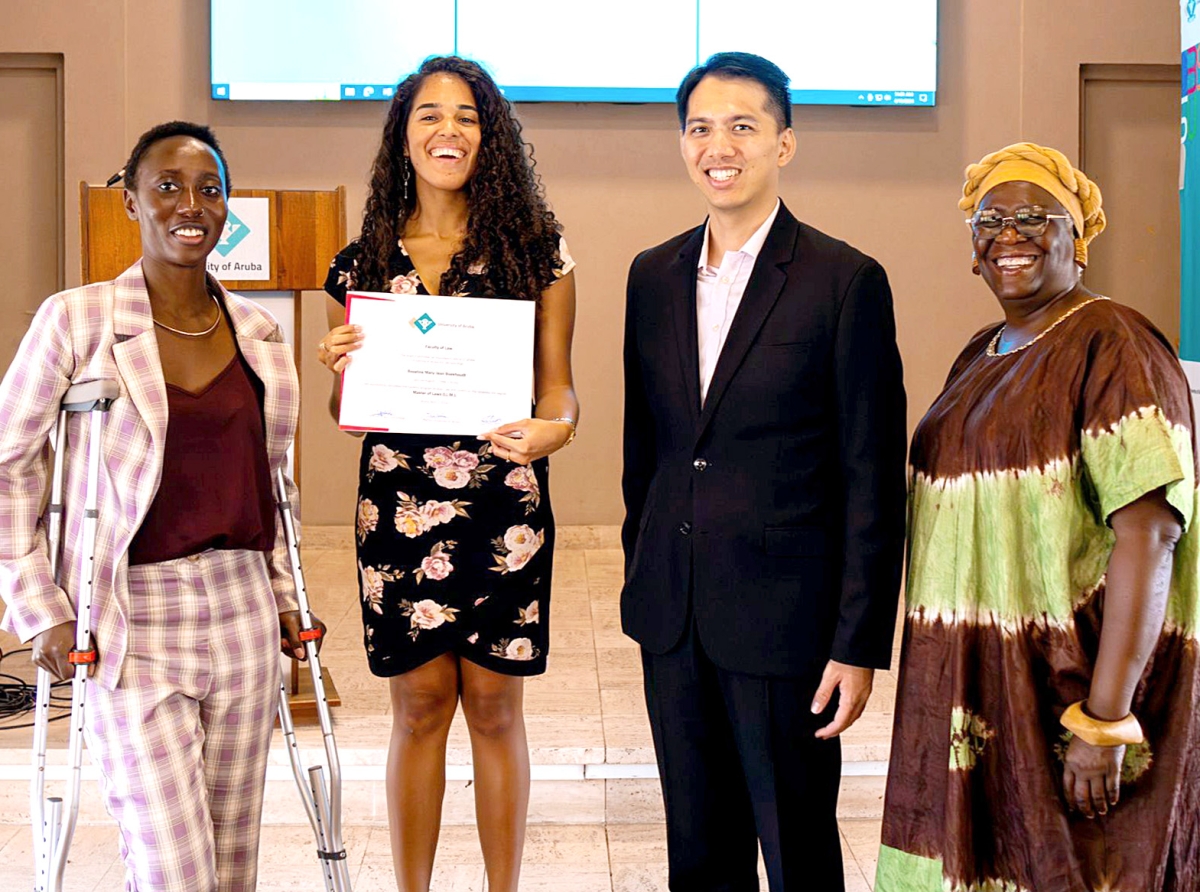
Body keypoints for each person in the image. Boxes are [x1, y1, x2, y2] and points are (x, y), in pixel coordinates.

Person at [0, 121, 318, 891]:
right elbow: (8, 463)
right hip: (132, 616)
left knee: (232, 866)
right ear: (131, 201)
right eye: (168, 186)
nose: (191, 205)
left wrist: (285, 598)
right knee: (177, 871)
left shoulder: (260, 334)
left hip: (241, 613)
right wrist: (37, 604)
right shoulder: (76, 320)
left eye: (210, 190)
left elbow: (273, 482)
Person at [876, 143, 1200, 892]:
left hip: (1065, 699)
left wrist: (1105, 717)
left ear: (1077, 238)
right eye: (991, 218)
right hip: (975, 692)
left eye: (1035, 216)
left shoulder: (1114, 343)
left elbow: (1149, 534)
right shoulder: (979, 356)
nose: (1009, 234)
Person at [621, 52, 907, 892]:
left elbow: (870, 476)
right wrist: (648, 570)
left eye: (744, 126)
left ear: (784, 144)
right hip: (674, 619)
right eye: (701, 128)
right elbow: (651, 453)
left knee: (797, 854)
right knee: (698, 852)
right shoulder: (652, 275)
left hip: (788, 628)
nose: (721, 146)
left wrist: (857, 643)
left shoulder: (843, 281)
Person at [318, 56, 578, 892]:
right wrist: (337, 368)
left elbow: (559, 390)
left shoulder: (539, 254)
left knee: (497, 711)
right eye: (429, 114)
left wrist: (555, 431)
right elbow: (348, 414)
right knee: (419, 709)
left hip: (503, 508)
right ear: (402, 133)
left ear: (489, 135)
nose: (448, 130)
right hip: (395, 515)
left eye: (466, 115)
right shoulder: (357, 265)